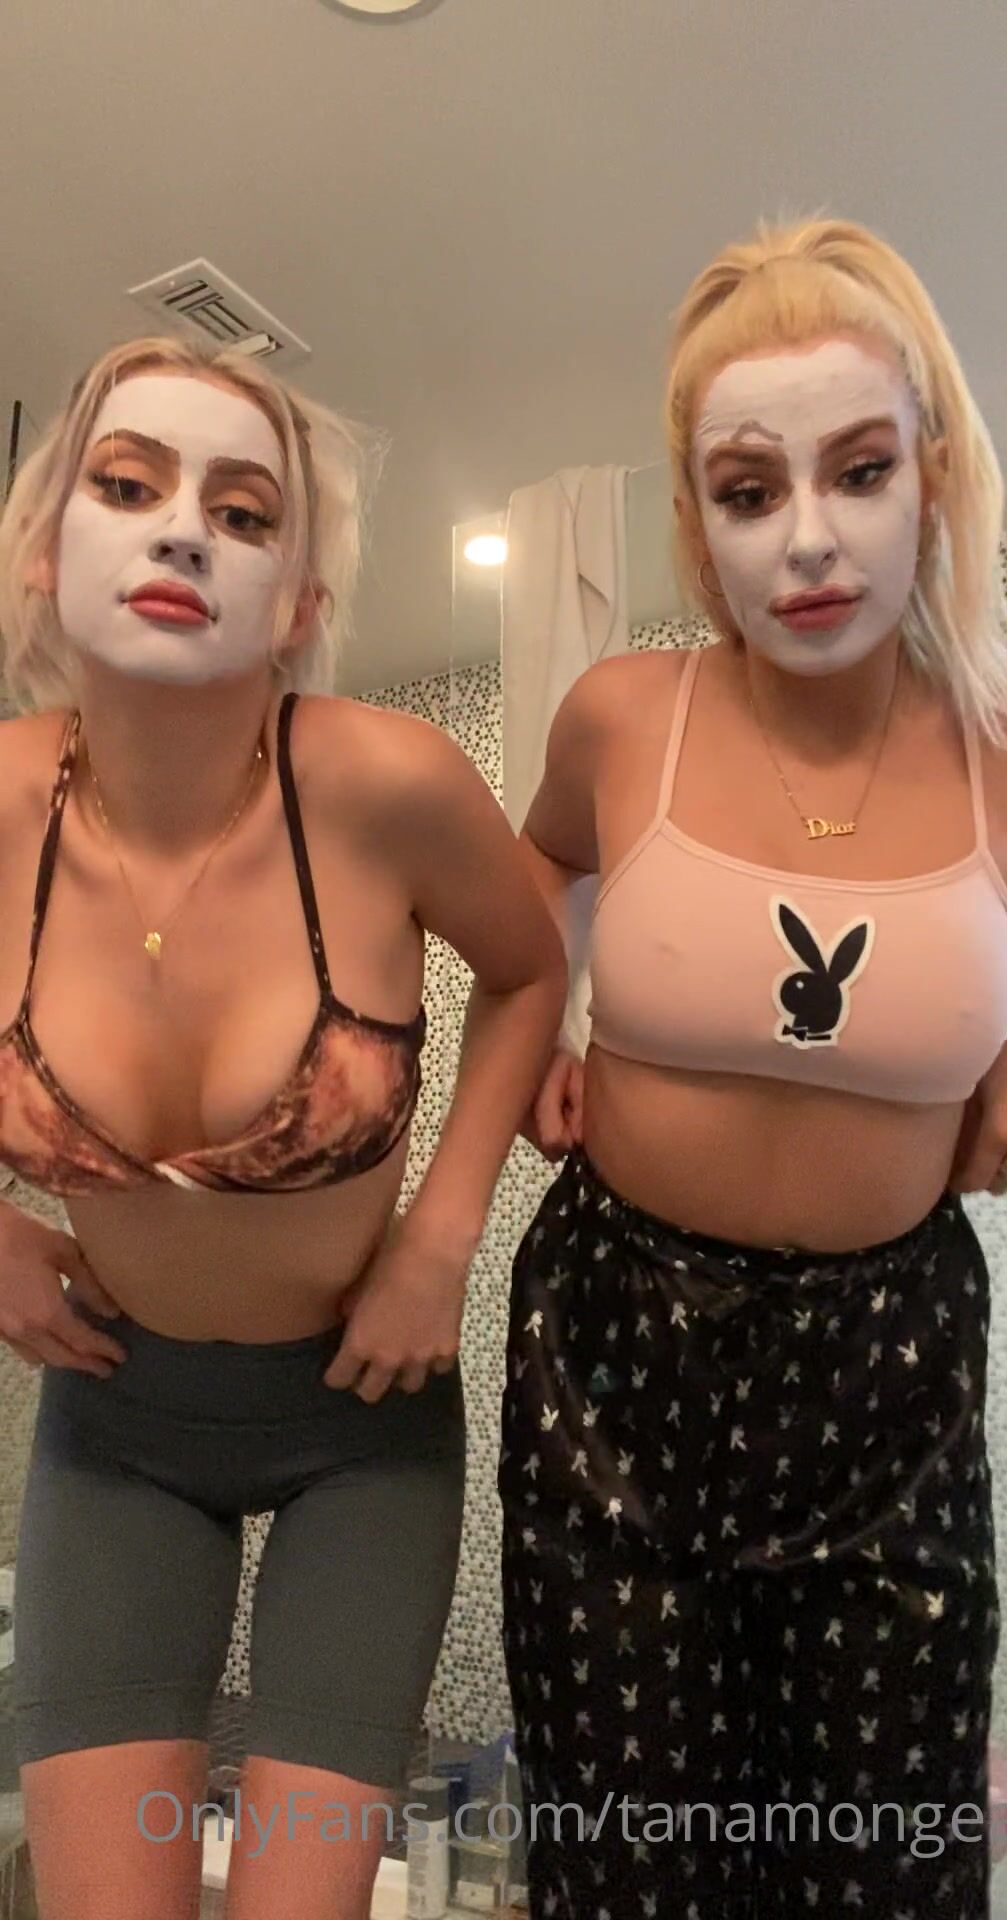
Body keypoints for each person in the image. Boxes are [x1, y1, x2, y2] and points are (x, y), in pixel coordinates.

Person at [500, 218, 1007, 1918]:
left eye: (861, 470)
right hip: (616, 1341)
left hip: (892, 1363)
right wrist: (543, 1019)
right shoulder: (622, 714)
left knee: (886, 1862)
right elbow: (540, 875)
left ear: (935, 475)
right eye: (750, 492)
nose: (810, 539)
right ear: (697, 526)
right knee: (628, 1860)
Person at [0, 335, 567, 1920]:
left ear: (301, 602)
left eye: (244, 513)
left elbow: (531, 970)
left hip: (360, 1428)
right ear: (47, 549)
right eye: (130, 486)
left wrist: (441, 1239)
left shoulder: (386, 784)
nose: (184, 531)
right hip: (115, 1427)